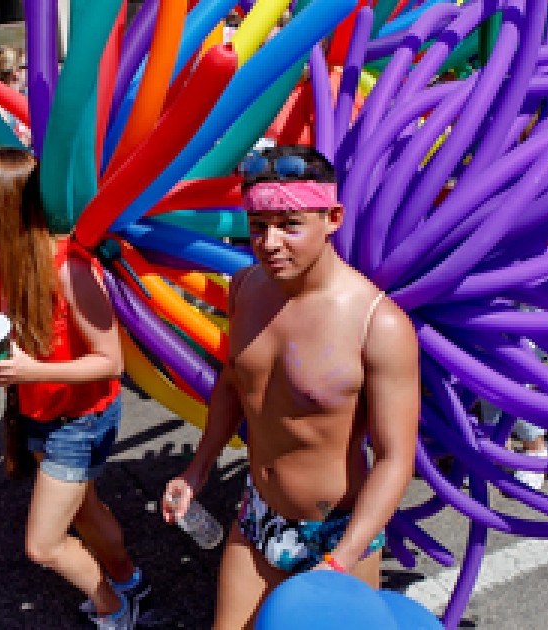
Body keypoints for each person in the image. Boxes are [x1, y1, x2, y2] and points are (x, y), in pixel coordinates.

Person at [161, 145, 419, 628]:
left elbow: (394, 458)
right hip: (258, 514)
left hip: (337, 534)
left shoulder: (376, 325)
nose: (270, 242)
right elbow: (234, 386)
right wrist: (197, 470)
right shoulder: (245, 287)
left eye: (290, 225)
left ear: (332, 217)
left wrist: (340, 561)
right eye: (258, 226)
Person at [0, 148, 144, 629]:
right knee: (84, 508)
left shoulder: (69, 267)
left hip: (81, 420)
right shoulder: (5, 257)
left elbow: (111, 363)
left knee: (43, 545)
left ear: (2, 205)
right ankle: (127, 580)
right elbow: (12, 335)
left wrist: (28, 375)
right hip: (41, 410)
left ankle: (113, 607)